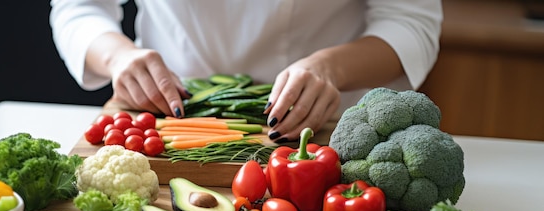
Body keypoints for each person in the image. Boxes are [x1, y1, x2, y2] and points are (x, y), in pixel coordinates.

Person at [50, 0, 442, 143]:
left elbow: (411, 23)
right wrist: (118, 56)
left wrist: (330, 67)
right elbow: (78, 6)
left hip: (326, 129)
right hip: (164, 120)